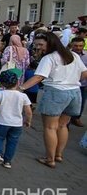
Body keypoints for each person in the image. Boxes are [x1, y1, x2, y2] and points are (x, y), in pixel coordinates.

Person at [20, 32, 87, 168]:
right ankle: (58, 155)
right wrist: (71, 80)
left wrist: (21, 88)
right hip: (74, 93)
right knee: (62, 126)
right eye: (36, 44)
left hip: (56, 93)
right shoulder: (72, 55)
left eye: (41, 45)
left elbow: (39, 77)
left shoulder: (49, 58)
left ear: (50, 43)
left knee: (50, 127)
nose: (38, 47)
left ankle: (50, 159)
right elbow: (84, 74)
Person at [0, 71, 33, 169]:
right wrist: (28, 120)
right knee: (12, 142)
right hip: (17, 124)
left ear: (2, 84)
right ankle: (7, 161)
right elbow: (28, 112)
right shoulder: (23, 96)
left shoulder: (0, 94)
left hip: (2, 122)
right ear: (17, 82)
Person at [69, 37, 86, 127]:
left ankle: (76, 118)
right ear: (72, 45)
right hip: (68, 84)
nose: (78, 48)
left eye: (81, 46)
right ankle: (66, 122)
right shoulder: (66, 55)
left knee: (81, 102)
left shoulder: (86, 56)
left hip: (82, 84)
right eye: (76, 46)